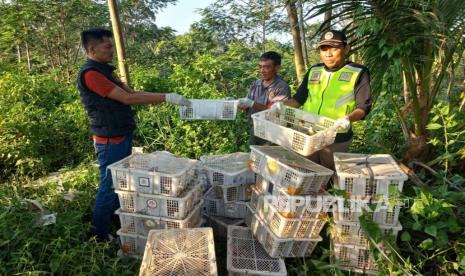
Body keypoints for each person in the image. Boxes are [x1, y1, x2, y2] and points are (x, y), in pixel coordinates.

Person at [77, 28, 190, 241]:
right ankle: (98, 233)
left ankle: (112, 219)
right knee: (109, 184)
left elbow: (132, 93)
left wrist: (167, 97)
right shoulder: (91, 74)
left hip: (120, 134)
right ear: (92, 48)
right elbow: (126, 99)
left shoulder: (105, 71)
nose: (112, 50)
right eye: (108, 46)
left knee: (119, 182)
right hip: (110, 139)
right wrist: (165, 97)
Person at [274, 30, 372, 170]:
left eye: (334, 48)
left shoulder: (358, 72)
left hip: (336, 138)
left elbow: (364, 107)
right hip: (308, 134)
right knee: (309, 172)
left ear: (346, 48)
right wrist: (280, 106)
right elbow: (298, 100)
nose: (328, 54)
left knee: (330, 175)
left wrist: (348, 119)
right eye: (324, 49)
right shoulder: (314, 71)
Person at [237, 51, 291, 145]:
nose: (262, 70)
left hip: (273, 135)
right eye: (260, 66)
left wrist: (252, 103)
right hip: (255, 130)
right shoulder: (256, 84)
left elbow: (276, 114)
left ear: (277, 68)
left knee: (271, 159)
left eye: (267, 67)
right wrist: (236, 103)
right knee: (253, 158)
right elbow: (246, 108)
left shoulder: (282, 87)